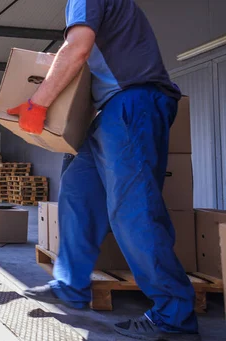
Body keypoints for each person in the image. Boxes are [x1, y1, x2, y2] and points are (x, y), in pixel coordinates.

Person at [10, 0, 199, 340]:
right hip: (110, 110)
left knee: (132, 210)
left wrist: (36, 102)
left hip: (132, 102)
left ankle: (175, 315)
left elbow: (78, 47)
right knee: (77, 193)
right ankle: (71, 285)